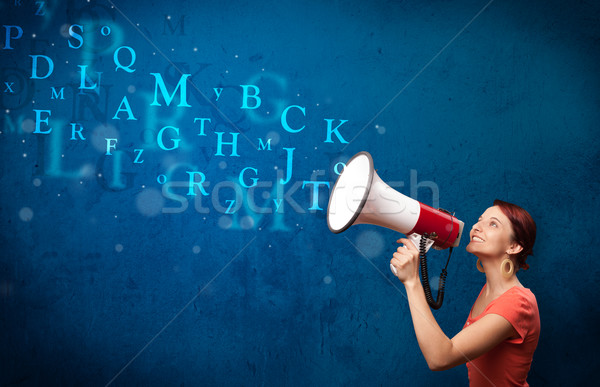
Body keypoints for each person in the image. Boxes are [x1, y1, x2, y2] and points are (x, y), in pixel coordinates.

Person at [390, 199, 540, 386]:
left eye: (493, 224)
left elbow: (440, 358)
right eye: (479, 219)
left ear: (514, 246)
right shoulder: (489, 291)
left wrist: (412, 282)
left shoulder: (518, 303)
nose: (476, 226)